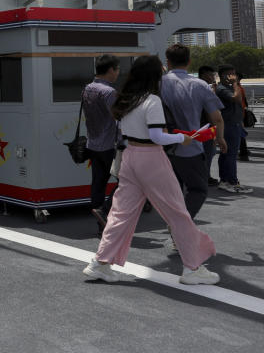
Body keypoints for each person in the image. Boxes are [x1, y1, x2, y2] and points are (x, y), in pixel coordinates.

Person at [82, 55, 219, 285]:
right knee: (177, 212)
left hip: (130, 157)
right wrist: (182, 137)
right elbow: (156, 136)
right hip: (151, 158)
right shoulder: (152, 100)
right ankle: (192, 268)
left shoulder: (126, 100)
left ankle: (100, 263)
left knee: (120, 214)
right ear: (155, 76)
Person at [159, 43, 225, 254]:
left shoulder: (157, 83)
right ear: (189, 62)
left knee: (173, 192)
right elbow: (216, 118)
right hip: (191, 147)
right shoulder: (199, 85)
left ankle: (176, 229)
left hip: (163, 146)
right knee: (198, 189)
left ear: (167, 62)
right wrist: (220, 139)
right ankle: (179, 231)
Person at [82, 55, 120, 232]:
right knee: (126, 181)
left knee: (98, 183)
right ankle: (104, 211)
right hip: (109, 144)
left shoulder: (88, 88)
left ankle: (101, 225)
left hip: (93, 143)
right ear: (111, 69)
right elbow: (118, 117)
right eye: (117, 69)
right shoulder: (109, 92)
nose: (118, 73)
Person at [215, 65, 252, 194]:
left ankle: (228, 180)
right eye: (231, 74)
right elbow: (236, 98)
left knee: (228, 154)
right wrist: (235, 83)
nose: (234, 77)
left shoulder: (229, 88)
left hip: (234, 124)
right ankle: (230, 181)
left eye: (234, 74)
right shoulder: (222, 89)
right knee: (229, 154)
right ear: (223, 75)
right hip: (228, 125)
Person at [197, 65, 220, 185]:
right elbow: (211, 111)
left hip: (198, 125)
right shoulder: (204, 88)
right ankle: (205, 177)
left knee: (205, 153)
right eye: (211, 75)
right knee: (208, 153)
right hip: (206, 126)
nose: (212, 77)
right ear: (204, 75)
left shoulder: (196, 86)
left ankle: (204, 176)